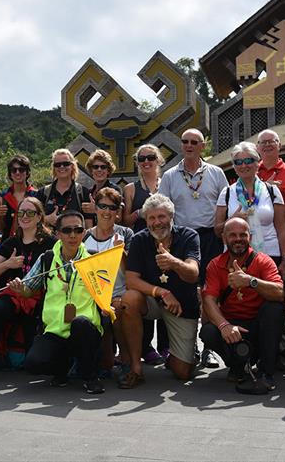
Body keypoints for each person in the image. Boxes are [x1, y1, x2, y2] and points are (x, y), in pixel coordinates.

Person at [12, 211, 106, 395]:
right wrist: (19, 289)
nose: (72, 235)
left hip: (86, 327)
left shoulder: (94, 260)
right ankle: (62, 369)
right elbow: (28, 288)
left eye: (78, 230)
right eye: (67, 230)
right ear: (58, 234)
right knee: (33, 364)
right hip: (55, 329)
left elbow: (106, 294)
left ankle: (90, 376)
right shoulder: (47, 259)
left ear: (84, 232)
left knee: (80, 325)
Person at [159, 128, 228, 368]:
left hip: (210, 238)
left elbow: (224, 207)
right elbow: (162, 209)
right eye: (185, 141)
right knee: (184, 292)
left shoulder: (217, 173)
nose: (188, 145)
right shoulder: (169, 176)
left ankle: (209, 347)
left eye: (194, 142)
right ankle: (187, 348)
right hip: (182, 239)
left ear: (202, 146)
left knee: (210, 292)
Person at [120, 194, 201, 387]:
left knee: (182, 373)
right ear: (146, 220)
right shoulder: (140, 240)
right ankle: (135, 369)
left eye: (162, 217)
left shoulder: (189, 236)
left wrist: (174, 263)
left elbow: (193, 274)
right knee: (129, 299)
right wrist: (161, 292)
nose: (157, 222)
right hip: (153, 301)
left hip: (181, 305)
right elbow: (131, 280)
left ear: (171, 217)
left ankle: (180, 354)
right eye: (152, 218)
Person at [0, 197, 55, 385]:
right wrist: (8, 264)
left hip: (38, 296)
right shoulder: (11, 242)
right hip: (12, 294)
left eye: (30, 213)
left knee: (32, 331)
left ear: (39, 217)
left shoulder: (51, 243)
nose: (25, 216)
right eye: (21, 213)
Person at [201, 218, 285, 393]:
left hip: (258, 325)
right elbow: (209, 300)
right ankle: (237, 365)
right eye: (232, 235)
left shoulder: (263, 261)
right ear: (224, 238)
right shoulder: (215, 264)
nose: (238, 239)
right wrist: (224, 325)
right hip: (232, 324)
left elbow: (279, 293)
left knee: (274, 309)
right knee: (208, 331)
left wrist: (251, 281)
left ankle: (266, 372)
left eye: (242, 235)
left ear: (250, 237)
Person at [122, 144, 170, 365]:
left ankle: (167, 345)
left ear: (158, 160)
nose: (146, 162)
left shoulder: (167, 183)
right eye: (141, 158)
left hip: (166, 244)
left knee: (168, 289)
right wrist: (140, 212)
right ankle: (146, 346)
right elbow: (125, 220)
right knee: (145, 293)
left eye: (150, 157)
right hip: (141, 246)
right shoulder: (131, 189)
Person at [215, 142, 285, 275]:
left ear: (257, 163)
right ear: (234, 166)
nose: (243, 165)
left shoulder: (271, 191)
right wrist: (231, 220)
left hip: (270, 254)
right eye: (238, 162)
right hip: (236, 256)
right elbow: (217, 231)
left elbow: (282, 228)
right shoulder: (226, 193)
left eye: (248, 160)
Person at [83, 187, 135, 377]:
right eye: (102, 206)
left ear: (118, 212)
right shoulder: (84, 235)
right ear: (95, 208)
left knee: (117, 308)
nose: (107, 211)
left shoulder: (126, 233)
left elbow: (132, 270)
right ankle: (104, 360)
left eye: (112, 207)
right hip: (91, 293)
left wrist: (120, 252)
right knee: (105, 364)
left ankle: (126, 358)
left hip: (118, 293)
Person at [37, 148, 92, 228]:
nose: (61, 167)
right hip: (48, 240)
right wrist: (47, 219)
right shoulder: (43, 193)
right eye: (57, 165)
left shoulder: (83, 193)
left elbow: (88, 227)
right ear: (54, 168)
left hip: (75, 239)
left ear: (72, 166)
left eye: (66, 164)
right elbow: (32, 220)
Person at [0, 155, 38, 239]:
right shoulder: (3, 197)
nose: (17, 173)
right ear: (10, 174)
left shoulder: (36, 195)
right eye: (14, 170)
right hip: (8, 242)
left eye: (21, 170)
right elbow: (0, 228)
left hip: (32, 240)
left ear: (27, 173)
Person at [81, 149, 123, 225]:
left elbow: (118, 218)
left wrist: (96, 209)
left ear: (108, 170)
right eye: (95, 167)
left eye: (103, 167)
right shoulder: (89, 192)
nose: (99, 170)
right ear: (91, 170)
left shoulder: (115, 190)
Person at [256, 129, 285, 198]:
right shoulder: (251, 171)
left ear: (279, 145)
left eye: (271, 141)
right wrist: (266, 187)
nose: (267, 145)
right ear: (257, 147)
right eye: (263, 142)